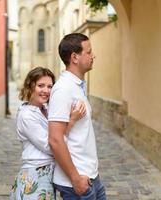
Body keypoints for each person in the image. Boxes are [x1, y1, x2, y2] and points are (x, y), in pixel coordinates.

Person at [10, 67, 86, 200]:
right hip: (35, 176)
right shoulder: (27, 115)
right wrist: (72, 120)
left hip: (48, 174)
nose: (46, 91)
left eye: (50, 86)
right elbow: (51, 146)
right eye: (41, 86)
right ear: (30, 86)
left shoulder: (45, 109)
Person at [48, 33, 106, 199]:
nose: (93, 55)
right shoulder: (63, 89)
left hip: (91, 177)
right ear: (74, 57)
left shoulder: (77, 86)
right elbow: (55, 139)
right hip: (77, 183)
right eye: (88, 52)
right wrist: (76, 179)